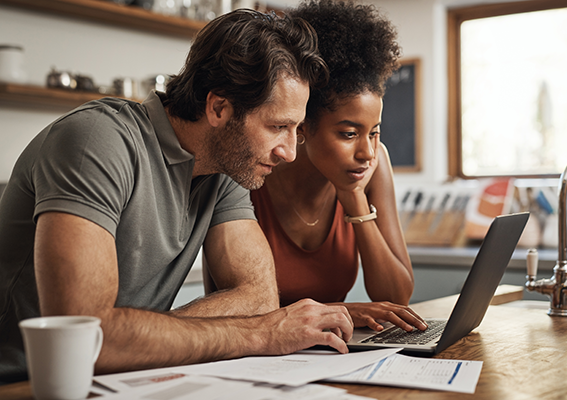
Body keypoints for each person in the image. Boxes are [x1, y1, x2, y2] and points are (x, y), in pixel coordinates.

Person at [0, 9, 354, 384]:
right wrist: (262, 333)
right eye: (277, 126)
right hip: (24, 384)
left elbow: (259, 299)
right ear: (219, 108)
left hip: (123, 379)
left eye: (295, 129)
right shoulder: (97, 141)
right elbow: (89, 340)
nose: (289, 152)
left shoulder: (227, 167)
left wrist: (132, 334)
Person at [247, 0, 428, 333]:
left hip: (333, 355)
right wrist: (345, 310)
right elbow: (234, 308)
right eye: (348, 133)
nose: (367, 152)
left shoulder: (374, 164)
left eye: (374, 132)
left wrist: (354, 198)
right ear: (302, 127)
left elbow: (397, 295)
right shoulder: (252, 172)